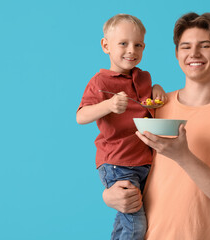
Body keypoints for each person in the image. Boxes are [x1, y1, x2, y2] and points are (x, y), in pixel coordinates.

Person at [102, 12, 210, 240]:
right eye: (185, 47)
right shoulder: (154, 106)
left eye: (204, 45)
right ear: (177, 53)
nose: (194, 54)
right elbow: (121, 159)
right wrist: (109, 195)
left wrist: (183, 156)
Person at [76, 14, 167, 240]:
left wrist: (156, 88)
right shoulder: (100, 82)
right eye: (123, 43)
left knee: (129, 222)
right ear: (106, 45)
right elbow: (81, 116)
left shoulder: (144, 77)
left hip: (145, 161)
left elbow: (149, 103)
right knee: (135, 226)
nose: (131, 50)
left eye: (138, 45)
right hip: (118, 162)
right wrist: (107, 105)